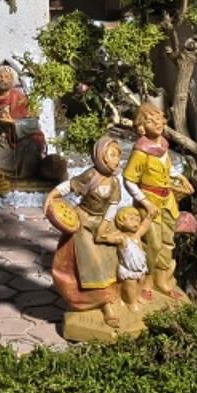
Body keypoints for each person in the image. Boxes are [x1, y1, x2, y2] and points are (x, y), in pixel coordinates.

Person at [45, 137, 132, 328]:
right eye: (112, 155)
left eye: (118, 156)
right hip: (83, 222)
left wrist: (105, 224)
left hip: (102, 223)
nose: (117, 160)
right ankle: (100, 303)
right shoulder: (91, 175)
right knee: (92, 262)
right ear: (101, 157)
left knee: (112, 260)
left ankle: (113, 298)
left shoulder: (114, 182)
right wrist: (53, 194)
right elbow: (71, 185)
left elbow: (113, 205)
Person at [119, 101, 193, 303]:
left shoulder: (163, 145)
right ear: (142, 127)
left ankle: (162, 280)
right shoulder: (141, 151)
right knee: (152, 244)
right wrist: (145, 202)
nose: (158, 123)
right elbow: (129, 180)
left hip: (167, 200)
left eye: (159, 118)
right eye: (151, 121)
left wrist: (180, 177)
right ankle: (146, 282)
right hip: (150, 203)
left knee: (168, 241)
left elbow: (167, 168)